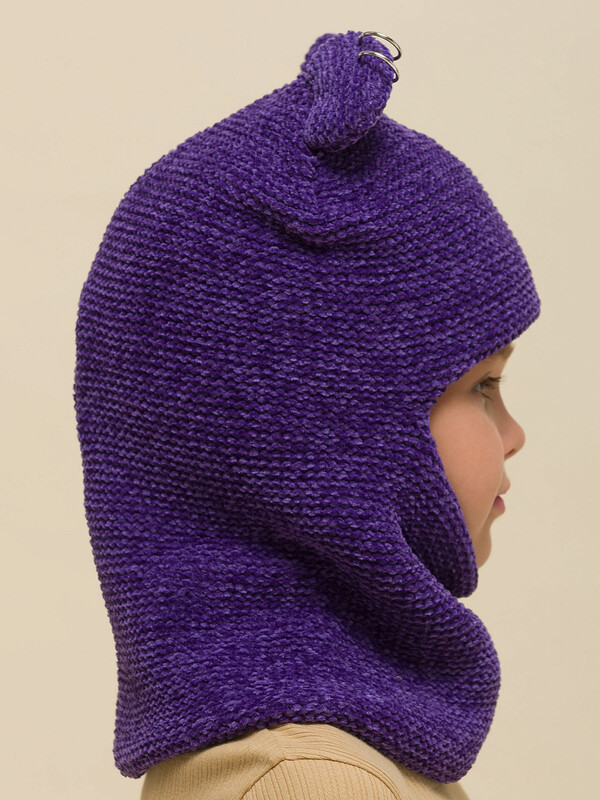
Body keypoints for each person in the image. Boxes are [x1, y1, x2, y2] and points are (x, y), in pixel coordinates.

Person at [73, 30, 541, 800]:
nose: (516, 436)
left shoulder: (320, 756)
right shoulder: (311, 781)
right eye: (484, 387)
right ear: (325, 435)